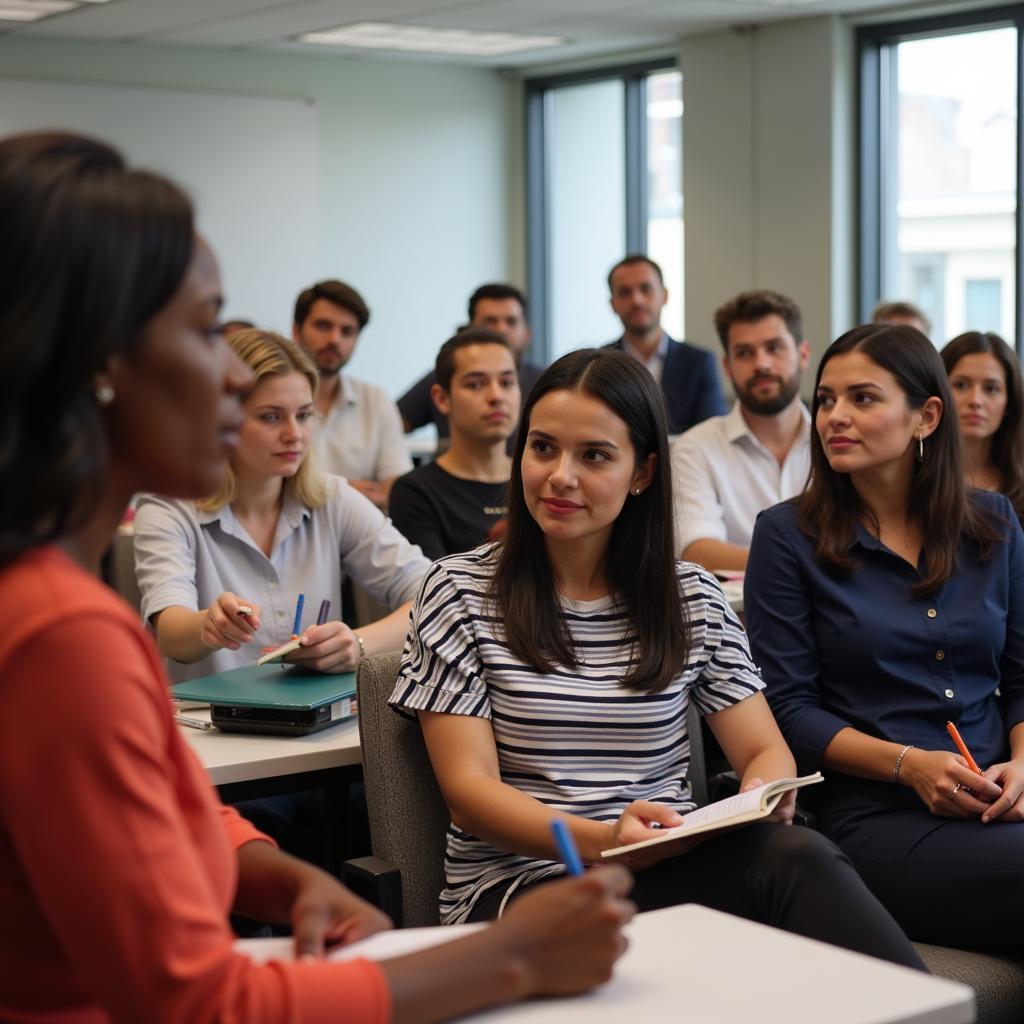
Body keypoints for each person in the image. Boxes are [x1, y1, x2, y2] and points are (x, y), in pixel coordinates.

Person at [0, 131, 637, 1023]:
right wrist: (513, 958)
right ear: (99, 363)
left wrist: (266, 871)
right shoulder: (61, 635)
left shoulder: (48, 600)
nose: (231, 372)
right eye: (202, 328)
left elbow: (143, 819)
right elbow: (197, 1002)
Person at [389, 347, 922, 969]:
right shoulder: (459, 590)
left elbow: (763, 749)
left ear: (641, 473)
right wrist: (605, 842)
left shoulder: (691, 596)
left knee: (797, 858)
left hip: (668, 865)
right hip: (521, 887)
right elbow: (469, 793)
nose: (561, 476)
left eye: (594, 456)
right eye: (542, 448)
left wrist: (762, 792)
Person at [745, 322, 1024, 952]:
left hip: (997, 797)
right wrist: (909, 766)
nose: (834, 417)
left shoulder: (992, 522)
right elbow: (788, 712)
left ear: (925, 417)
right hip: (876, 817)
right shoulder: (787, 537)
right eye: (825, 400)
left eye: (862, 399)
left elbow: (1022, 677)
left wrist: (1023, 764)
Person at [133, 330, 430, 686]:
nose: (295, 434)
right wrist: (207, 626)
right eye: (271, 417)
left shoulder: (332, 497)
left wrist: (358, 642)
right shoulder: (170, 506)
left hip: (317, 729)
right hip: (210, 730)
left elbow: (431, 596)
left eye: (304, 415)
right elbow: (170, 633)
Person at [671, 289, 811, 570]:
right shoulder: (695, 448)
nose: (761, 364)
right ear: (727, 366)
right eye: (744, 353)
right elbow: (696, 551)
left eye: (774, 348)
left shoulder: (837, 439)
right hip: (737, 614)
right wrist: (807, 565)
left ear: (803, 354)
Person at [390, 329, 519, 561]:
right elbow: (435, 592)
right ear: (442, 398)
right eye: (476, 384)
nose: (496, 396)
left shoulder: (539, 479)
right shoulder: (416, 492)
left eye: (507, 382)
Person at [293, 279, 411, 509]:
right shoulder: (271, 400)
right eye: (323, 326)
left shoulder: (375, 400)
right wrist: (342, 490)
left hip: (358, 539)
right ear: (296, 331)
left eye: (347, 331)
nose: (334, 339)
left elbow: (397, 486)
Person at [398, 283, 543, 443]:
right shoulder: (445, 377)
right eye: (475, 384)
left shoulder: (546, 383)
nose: (502, 329)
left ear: (527, 334)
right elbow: (388, 425)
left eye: (511, 321)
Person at [603, 255, 725, 435]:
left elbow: (712, 435)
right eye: (625, 292)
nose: (637, 300)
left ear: (664, 295)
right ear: (613, 304)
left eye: (646, 289)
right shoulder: (599, 364)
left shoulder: (699, 363)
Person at [941, 330, 1024, 523]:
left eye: (991, 388)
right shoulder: (910, 479)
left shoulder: (1018, 483)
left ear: (1009, 403)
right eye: (961, 385)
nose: (976, 401)